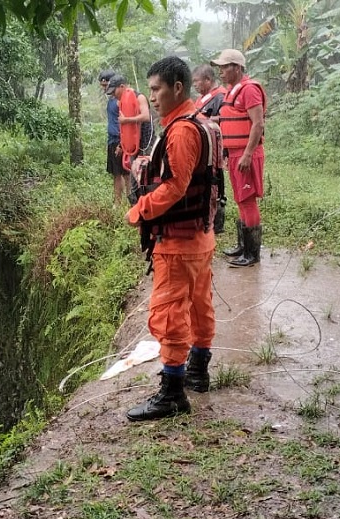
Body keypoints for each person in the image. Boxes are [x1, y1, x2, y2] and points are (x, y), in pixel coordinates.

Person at [124, 56, 219, 421]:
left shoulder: (181, 130)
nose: (152, 98)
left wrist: (140, 209)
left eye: (156, 89)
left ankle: (172, 392)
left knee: (168, 313)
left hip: (179, 244)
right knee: (199, 305)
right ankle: (198, 370)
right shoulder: (204, 123)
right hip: (200, 238)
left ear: (177, 88)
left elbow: (176, 187)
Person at [211, 49, 266, 267]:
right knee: (240, 200)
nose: (221, 72)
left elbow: (258, 123)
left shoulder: (249, 90)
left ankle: (252, 254)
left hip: (246, 154)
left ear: (237, 68)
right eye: (220, 68)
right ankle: (243, 246)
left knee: (247, 200)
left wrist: (247, 154)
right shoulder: (232, 91)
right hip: (234, 154)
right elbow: (231, 118)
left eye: (225, 67)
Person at [192, 64, 228, 234]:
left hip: (216, 146)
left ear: (208, 80)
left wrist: (203, 120)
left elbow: (226, 117)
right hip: (202, 146)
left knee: (215, 179)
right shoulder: (201, 98)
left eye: (197, 81)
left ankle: (217, 220)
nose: (195, 85)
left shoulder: (221, 96)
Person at [107, 75, 154, 203]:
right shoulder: (123, 102)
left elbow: (145, 116)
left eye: (114, 91)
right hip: (133, 146)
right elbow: (126, 129)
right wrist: (122, 146)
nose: (113, 95)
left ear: (122, 86)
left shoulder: (139, 97)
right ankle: (135, 207)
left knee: (144, 177)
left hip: (145, 143)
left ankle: (147, 205)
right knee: (134, 178)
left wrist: (126, 120)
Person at [99, 69, 130, 206]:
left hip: (120, 140)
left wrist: (123, 142)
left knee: (126, 174)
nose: (105, 89)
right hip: (112, 140)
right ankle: (117, 203)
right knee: (116, 173)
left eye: (106, 85)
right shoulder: (111, 99)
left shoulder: (120, 100)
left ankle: (130, 202)